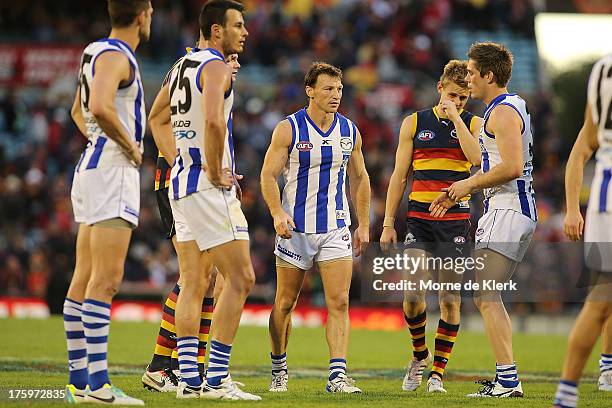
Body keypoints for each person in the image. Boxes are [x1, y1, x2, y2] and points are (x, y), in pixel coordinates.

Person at [146, 0, 259, 400]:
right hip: (207, 188)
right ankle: (216, 379)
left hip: (180, 184)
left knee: (195, 283)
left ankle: (189, 382)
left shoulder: (181, 66)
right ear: (216, 31)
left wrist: (182, 161)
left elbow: (156, 119)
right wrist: (212, 170)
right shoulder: (213, 66)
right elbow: (213, 120)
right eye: (238, 26)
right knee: (241, 278)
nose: (245, 32)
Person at [430, 42, 537, 398]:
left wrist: (468, 183)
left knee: (485, 296)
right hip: (510, 208)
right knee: (488, 296)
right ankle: (507, 379)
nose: (469, 78)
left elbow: (512, 167)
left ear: (489, 75)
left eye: (474, 73)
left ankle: (508, 381)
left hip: (508, 207)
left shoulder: (501, 112)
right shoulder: (508, 106)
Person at [260, 62, 371, 393]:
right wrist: (278, 213)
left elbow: (360, 177)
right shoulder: (289, 128)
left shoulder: (350, 131)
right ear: (310, 91)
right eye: (328, 89)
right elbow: (267, 175)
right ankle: (278, 367)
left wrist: (363, 222)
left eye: (339, 89)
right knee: (284, 303)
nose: (335, 95)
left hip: (335, 227)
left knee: (339, 302)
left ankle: (337, 376)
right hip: (295, 229)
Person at [63, 0, 152, 405]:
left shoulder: (94, 51)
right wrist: (128, 146)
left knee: (84, 277)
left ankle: (79, 383)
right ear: (142, 16)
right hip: (112, 172)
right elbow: (97, 106)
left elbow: (77, 111)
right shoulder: (118, 56)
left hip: (90, 169)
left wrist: (99, 139)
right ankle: (98, 386)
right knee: (106, 279)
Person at [380, 60, 482, 393]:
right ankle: (419, 356)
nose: (458, 102)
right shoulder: (414, 122)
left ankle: (437, 374)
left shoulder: (474, 124)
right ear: (440, 88)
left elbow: (477, 161)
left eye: (464, 98)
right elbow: (399, 175)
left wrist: (456, 117)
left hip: (454, 224)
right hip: (419, 222)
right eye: (453, 95)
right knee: (412, 296)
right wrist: (387, 223)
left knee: (450, 299)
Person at [553, 53, 612, 408]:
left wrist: (575, 207)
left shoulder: (603, 68)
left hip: (605, 192)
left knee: (601, 297)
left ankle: (567, 392)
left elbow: (584, 145)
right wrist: (572, 207)